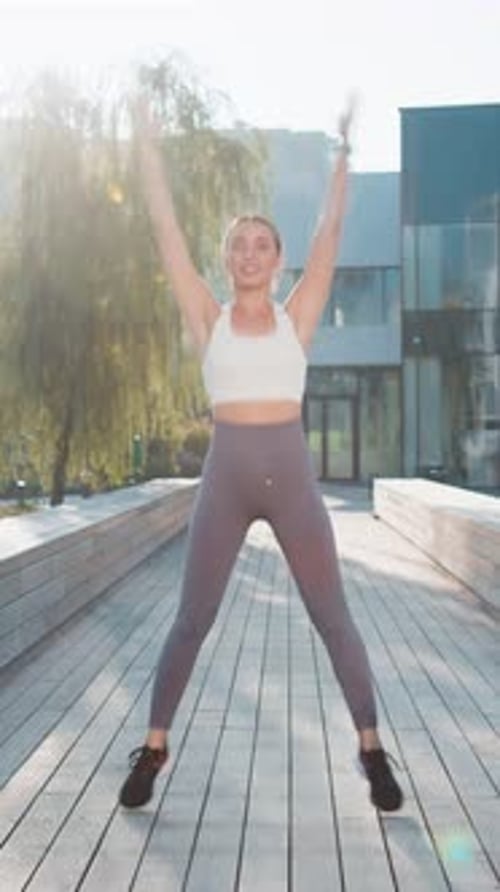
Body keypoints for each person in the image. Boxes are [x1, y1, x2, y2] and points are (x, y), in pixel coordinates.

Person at [119, 96, 403, 813]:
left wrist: (342, 153)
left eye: (261, 244)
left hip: (290, 477)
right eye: (237, 244)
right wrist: (147, 148)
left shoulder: (296, 315)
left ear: (277, 261)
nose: (247, 253)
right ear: (226, 259)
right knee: (192, 617)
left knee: (332, 614)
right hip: (227, 477)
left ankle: (371, 749)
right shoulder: (207, 317)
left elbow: (332, 231)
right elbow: (164, 231)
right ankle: (153, 746)